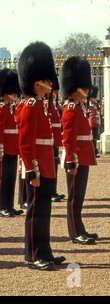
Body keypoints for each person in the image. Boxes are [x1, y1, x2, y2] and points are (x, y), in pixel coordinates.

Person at [18, 41, 65, 270]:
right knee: (35, 211)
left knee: (44, 210)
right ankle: (34, 254)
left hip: (46, 165)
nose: (50, 82)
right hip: (37, 167)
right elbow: (26, 143)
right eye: (46, 79)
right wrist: (32, 170)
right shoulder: (29, 106)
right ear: (35, 80)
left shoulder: (41, 106)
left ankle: (45, 251)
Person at [61, 56, 98, 245]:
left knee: (80, 196)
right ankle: (75, 232)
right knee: (74, 197)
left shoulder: (80, 107)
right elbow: (68, 138)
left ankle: (80, 227)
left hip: (83, 154)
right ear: (75, 87)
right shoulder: (71, 108)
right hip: (76, 157)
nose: (86, 89)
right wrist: (71, 160)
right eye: (83, 87)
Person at [0, 68, 22, 217]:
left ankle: (9, 205)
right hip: (5, 150)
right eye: (13, 91)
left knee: (11, 178)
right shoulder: (2, 109)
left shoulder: (9, 108)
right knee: (3, 179)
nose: (15, 94)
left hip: (12, 150)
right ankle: (2, 206)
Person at [45, 78, 65, 203]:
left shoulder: (52, 104)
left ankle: (53, 190)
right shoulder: (45, 104)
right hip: (49, 141)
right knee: (49, 167)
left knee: (54, 166)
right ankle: (49, 191)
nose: (56, 92)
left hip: (54, 141)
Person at [88, 86, 101, 158]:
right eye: (93, 97)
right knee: (93, 139)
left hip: (95, 124)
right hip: (92, 124)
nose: (95, 99)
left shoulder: (94, 106)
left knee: (95, 139)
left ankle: (95, 152)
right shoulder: (90, 106)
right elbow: (92, 116)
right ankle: (93, 153)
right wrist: (96, 122)